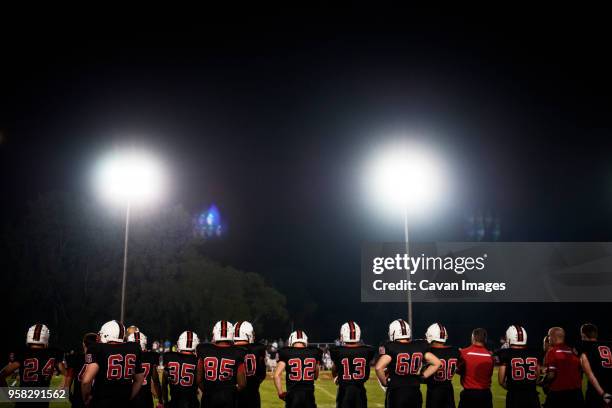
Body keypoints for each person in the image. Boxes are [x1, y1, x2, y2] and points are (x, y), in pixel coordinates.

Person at [375, 319, 442, 408]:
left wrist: (384, 382)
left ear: (393, 332)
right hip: (415, 392)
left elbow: (378, 367)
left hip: (396, 392)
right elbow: (437, 363)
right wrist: (423, 376)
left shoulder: (390, 346)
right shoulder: (419, 345)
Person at [81, 320, 145, 408]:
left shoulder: (97, 348)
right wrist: (129, 398)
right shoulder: (134, 348)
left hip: (102, 400)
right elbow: (139, 379)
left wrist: (85, 399)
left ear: (106, 334)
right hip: (124, 401)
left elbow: (86, 381)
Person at [0, 323, 65, 408]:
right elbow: (67, 374)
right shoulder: (52, 354)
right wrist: (58, 393)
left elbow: (2, 374)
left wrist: (8, 395)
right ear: (46, 338)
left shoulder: (23, 353)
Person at [196, 320, 246, 408]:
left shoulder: (204, 349)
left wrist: (208, 391)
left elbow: (199, 379)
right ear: (231, 333)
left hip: (209, 397)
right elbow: (242, 384)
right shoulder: (238, 351)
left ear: (215, 333)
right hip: (228, 398)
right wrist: (231, 392)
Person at [329, 321, 375, 408]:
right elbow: (367, 370)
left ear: (343, 334)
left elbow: (334, 368)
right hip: (360, 391)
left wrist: (336, 377)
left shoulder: (337, 351)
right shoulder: (367, 350)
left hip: (344, 391)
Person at [274, 329, 322, 408]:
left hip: (292, 396)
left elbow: (276, 375)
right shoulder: (314, 352)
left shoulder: (286, 352)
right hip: (309, 397)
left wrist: (280, 393)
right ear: (305, 341)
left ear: (291, 341)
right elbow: (315, 376)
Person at [496, 325, 541, 408]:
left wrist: (513, 389)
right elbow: (537, 378)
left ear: (510, 337)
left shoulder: (505, 353)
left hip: (514, 397)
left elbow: (501, 381)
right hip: (532, 396)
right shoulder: (534, 353)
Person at [543, 326, 584, 408]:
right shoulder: (573, 351)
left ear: (554, 337)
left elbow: (551, 375)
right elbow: (581, 371)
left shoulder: (552, 352)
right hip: (577, 394)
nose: (548, 338)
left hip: (559, 394)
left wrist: (543, 382)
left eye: (549, 336)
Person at [457, 328, 494, 408]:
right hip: (485, 395)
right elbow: (489, 374)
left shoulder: (464, 353)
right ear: (485, 339)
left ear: (473, 337)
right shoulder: (490, 355)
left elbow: (458, 370)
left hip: (469, 394)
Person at [162, 331, 200, 408]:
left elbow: (164, 383)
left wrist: (165, 401)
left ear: (180, 343)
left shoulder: (169, 356)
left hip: (174, 402)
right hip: (191, 403)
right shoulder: (198, 360)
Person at [424, 323, 459, 408]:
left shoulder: (429, 352)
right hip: (449, 393)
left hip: (434, 393)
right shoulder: (455, 351)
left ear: (431, 336)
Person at [578, 323, 612, 407]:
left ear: (583, 335)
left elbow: (590, 375)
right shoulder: (609, 345)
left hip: (597, 393)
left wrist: (603, 394)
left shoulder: (586, 348)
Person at [234, 321, 267, 408]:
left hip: (233, 395)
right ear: (247, 334)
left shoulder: (230, 350)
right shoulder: (258, 349)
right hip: (253, 395)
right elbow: (262, 374)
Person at [127, 331, 161, 408]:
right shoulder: (151, 356)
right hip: (146, 397)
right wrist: (160, 399)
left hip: (130, 395)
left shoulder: (127, 357)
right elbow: (155, 380)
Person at [64, 332, 98, 408]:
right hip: (95, 399)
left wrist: (70, 397)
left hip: (78, 399)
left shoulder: (76, 357)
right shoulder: (101, 359)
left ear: (84, 343)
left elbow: (67, 383)